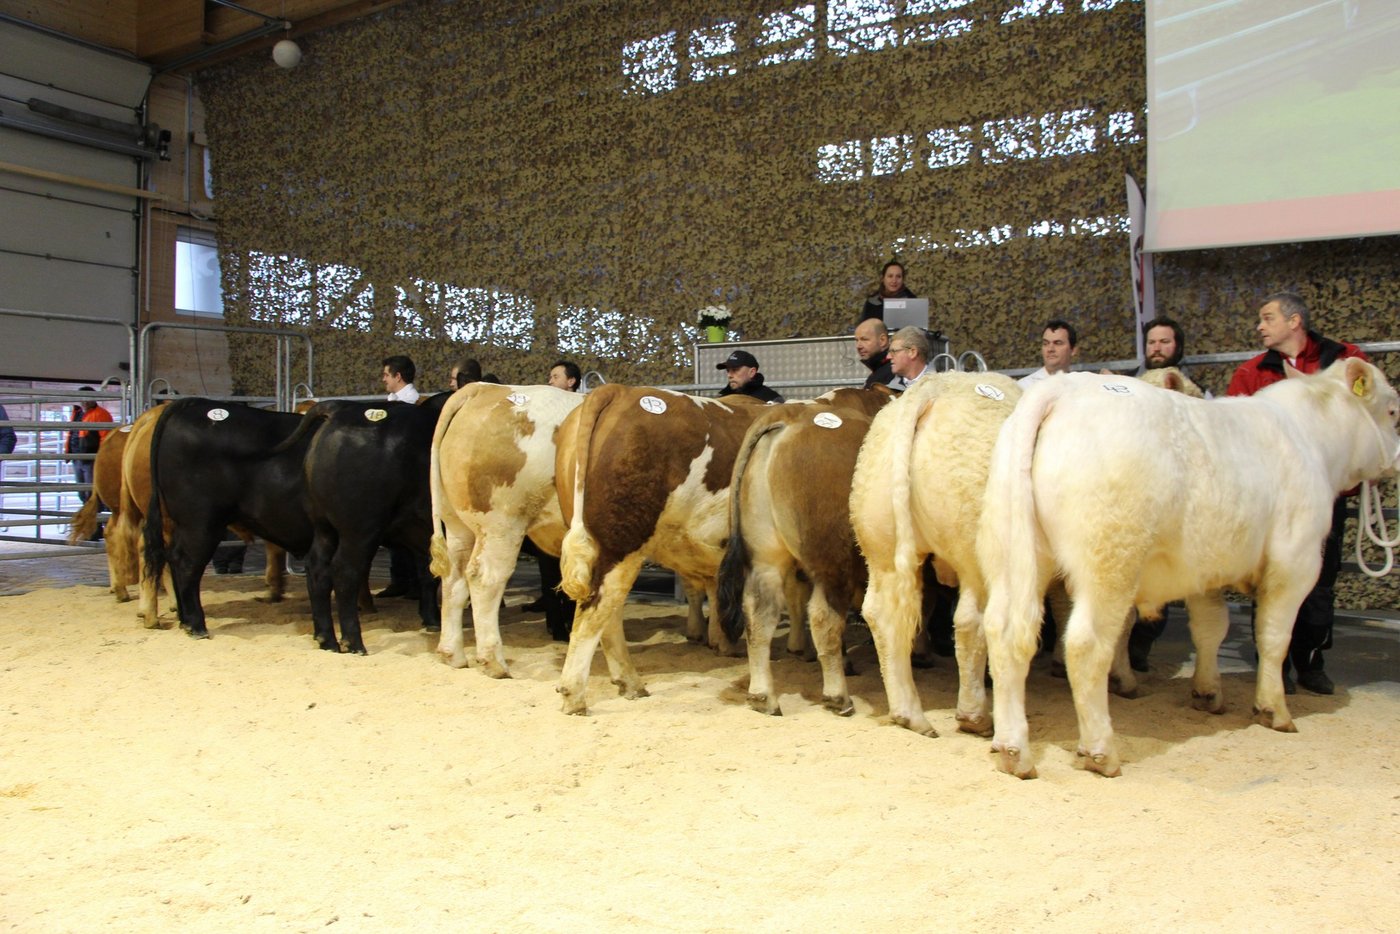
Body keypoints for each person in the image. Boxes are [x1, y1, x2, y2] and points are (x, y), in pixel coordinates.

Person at [1227, 292, 1367, 696]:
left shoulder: (1346, 361)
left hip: (1328, 494)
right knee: (1273, 578)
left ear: (1294, 321)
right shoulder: (1251, 373)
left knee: (1320, 582)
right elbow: (1235, 431)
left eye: (1267, 317)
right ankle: (1275, 668)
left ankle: (1311, 661)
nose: (1260, 326)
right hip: (1273, 501)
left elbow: (1366, 412)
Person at [377, 355, 420, 599]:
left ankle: (413, 582)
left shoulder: (412, 403)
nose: (384, 379)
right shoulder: (393, 401)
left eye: (386, 374)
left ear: (398, 376)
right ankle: (399, 580)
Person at [72, 387, 113, 505]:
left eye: (88, 398)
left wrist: (101, 458)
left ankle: (95, 515)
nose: (84, 401)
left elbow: (106, 437)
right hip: (77, 457)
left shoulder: (101, 414)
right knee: (82, 492)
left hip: (92, 459)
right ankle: (89, 513)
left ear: (94, 399)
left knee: (92, 492)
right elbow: (72, 433)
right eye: (82, 398)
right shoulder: (78, 413)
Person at [1018, 319, 1078, 387]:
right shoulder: (1024, 387)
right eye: (1045, 343)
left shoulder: (1081, 386)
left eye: (1058, 343)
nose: (1050, 349)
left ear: (1073, 350)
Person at [859, 260, 915, 324]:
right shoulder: (872, 302)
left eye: (898, 276)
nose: (894, 281)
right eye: (890, 276)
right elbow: (864, 326)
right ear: (883, 279)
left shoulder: (912, 301)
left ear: (903, 279)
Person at [716, 350, 783, 403]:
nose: (729, 375)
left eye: (735, 370)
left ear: (752, 372)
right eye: (728, 370)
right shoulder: (721, 399)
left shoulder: (771, 399)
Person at [855, 319, 902, 392]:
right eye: (856, 340)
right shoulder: (876, 372)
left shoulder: (895, 370)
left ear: (882, 340)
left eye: (864, 339)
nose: (858, 346)